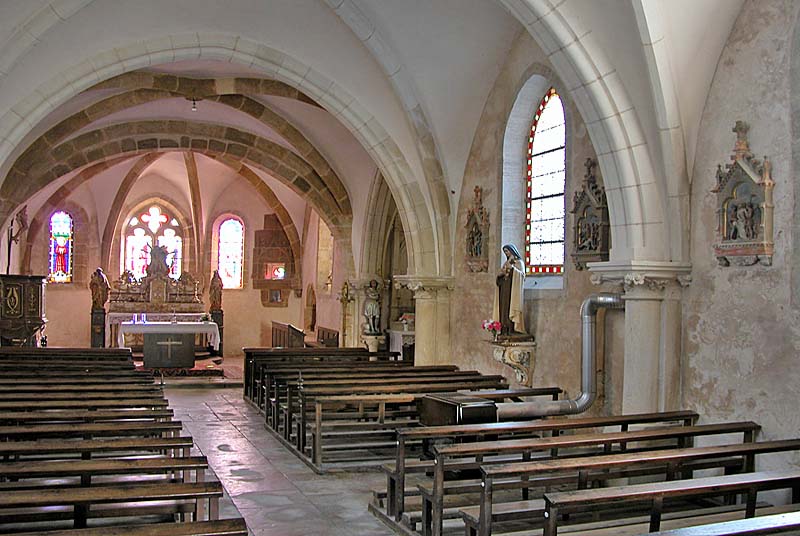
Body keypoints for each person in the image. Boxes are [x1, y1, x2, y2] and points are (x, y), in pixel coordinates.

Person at [493, 243, 525, 336]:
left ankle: (512, 328)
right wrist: (500, 276)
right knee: (504, 309)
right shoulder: (506, 263)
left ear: (512, 251)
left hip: (513, 290)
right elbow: (502, 274)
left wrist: (513, 269)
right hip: (505, 290)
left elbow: (521, 275)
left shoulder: (519, 262)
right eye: (505, 252)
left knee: (511, 307)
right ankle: (504, 328)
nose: (506, 253)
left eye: (507, 251)